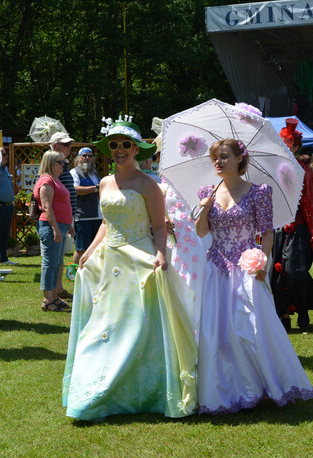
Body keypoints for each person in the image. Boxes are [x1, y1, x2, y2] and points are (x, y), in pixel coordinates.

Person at [63, 120, 197, 420]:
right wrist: (88, 253)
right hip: (109, 261)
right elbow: (105, 224)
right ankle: (98, 391)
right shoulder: (104, 183)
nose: (120, 150)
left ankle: (144, 391)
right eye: (114, 145)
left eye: (126, 144)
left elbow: (160, 226)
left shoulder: (149, 184)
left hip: (141, 258)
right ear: (107, 150)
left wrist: (161, 253)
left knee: (139, 326)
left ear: (137, 148)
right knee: (103, 327)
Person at [194, 138, 313, 413]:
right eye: (215, 157)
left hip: (248, 267)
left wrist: (263, 261)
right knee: (217, 330)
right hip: (217, 267)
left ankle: (263, 384)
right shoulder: (207, 192)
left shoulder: (259, 192)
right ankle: (226, 388)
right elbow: (202, 232)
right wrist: (204, 208)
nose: (218, 161)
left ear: (239, 159)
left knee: (249, 327)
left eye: (223, 156)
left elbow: (268, 231)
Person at [269, 118, 313, 331]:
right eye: (282, 141)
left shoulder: (303, 170)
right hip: (277, 228)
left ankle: (303, 310)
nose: (284, 145)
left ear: (296, 146)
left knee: (295, 271)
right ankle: (283, 315)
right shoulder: (271, 169)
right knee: (275, 273)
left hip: (298, 228)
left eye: (288, 142)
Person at [33, 150, 74, 312]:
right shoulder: (46, 181)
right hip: (50, 227)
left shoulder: (55, 180)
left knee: (56, 263)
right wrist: (56, 229)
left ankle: (54, 297)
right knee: (50, 264)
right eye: (60, 162)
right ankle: (47, 300)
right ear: (50, 163)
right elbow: (47, 207)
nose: (63, 165)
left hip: (60, 226)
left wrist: (67, 224)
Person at [49, 131, 77, 300]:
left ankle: (58, 289)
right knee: (53, 258)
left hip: (65, 216)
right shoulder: (51, 163)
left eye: (69, 144)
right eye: (66, 144)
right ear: (55, 146)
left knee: (60, 256)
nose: (69, 148)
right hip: (56, 216)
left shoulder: (63, 164)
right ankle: (52, 294)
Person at [70, 147, 102, 266]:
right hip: (83, 216)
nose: (87, 158)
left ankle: (90, 272)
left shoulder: (94, 173)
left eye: (90, 156)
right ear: (79, 158)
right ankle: (76, 273)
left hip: (97, 215)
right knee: (81, 248)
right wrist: (95, 188)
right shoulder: (74, 172)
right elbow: (75, 189)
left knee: (95, 247)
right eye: (84, 156)